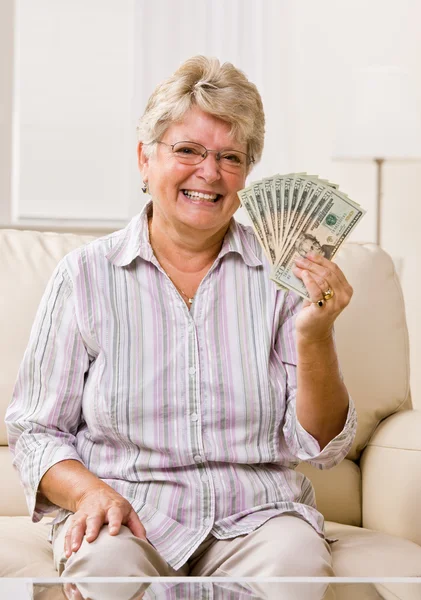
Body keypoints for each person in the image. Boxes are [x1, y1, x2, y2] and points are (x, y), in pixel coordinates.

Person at [6, 56, 357, 600]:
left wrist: (315, 335)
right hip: (127, 513)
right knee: (104, 570)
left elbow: (322, 446)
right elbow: (35, 429)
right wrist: (90, 494)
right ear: (145, 160)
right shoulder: (84, 277)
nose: (209, 173)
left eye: (230, 157)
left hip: (257, 517)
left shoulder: (285, 276)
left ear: (246, 174)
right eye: (188, 151)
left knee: (297, 566)